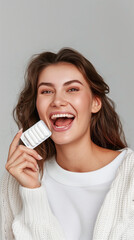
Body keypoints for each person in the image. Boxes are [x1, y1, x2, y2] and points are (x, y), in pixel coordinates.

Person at [0, 47, 134, 240]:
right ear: (37, 106)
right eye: (46, 91)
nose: (58, 101)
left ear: (95, 103)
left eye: (72, 89)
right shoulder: (16, 182)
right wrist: (31, 192)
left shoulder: (130, 177)